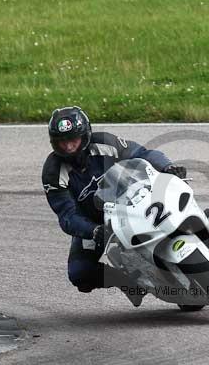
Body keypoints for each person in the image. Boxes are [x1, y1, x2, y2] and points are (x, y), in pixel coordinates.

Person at [41, 106, 190, 307]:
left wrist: (166, 167)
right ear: (54, 143)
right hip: (97, 223)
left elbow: (143, 154)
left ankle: (200, 227)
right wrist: (93, 231)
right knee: (79, 273)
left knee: (174, 190)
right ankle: (128, 283)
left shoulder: (105, 143)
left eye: (73, 140)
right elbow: (67, 216)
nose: (68, 147)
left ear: (85, 135)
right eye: (62, 142)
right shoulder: (53, 173)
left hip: (133, 200)